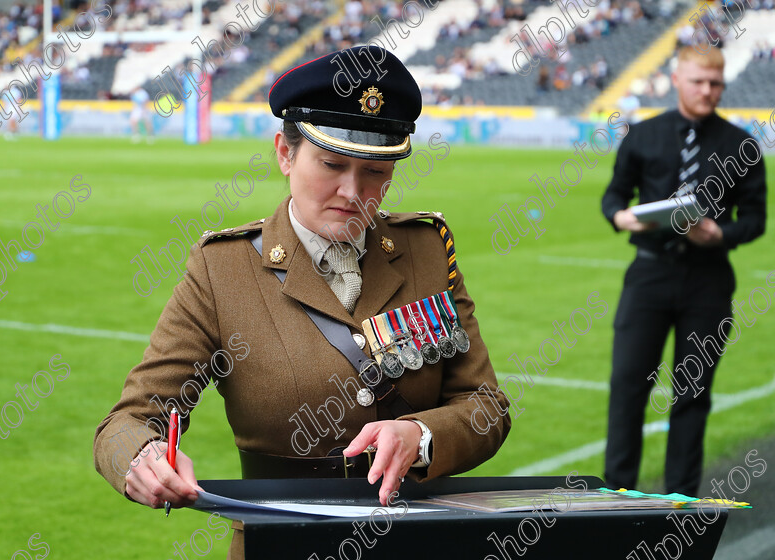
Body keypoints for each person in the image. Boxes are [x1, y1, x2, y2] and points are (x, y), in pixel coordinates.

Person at [94, 45, 511, 558]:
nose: (354, 191)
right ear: (284, 153)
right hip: (283, 544)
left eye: (376, 171)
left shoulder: (425, 250)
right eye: (332, 164)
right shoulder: (222, 269)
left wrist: (421, 434)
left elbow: (487, 407)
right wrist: (142, 457)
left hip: (416, 542)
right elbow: (128, 421)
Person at [601, 46, 766, 497]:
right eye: (698, 82)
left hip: (707, 280)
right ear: (677, 80)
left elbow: (755, 219)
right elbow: (613, 196)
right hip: (649, 275)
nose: (707, 91)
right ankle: (616, 499)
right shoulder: (644, 135)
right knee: (628, 387)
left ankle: (680, 506)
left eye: (715, 84)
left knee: (692, 396)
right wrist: (623, 217)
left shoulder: (742, 146)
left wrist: (720, 234)